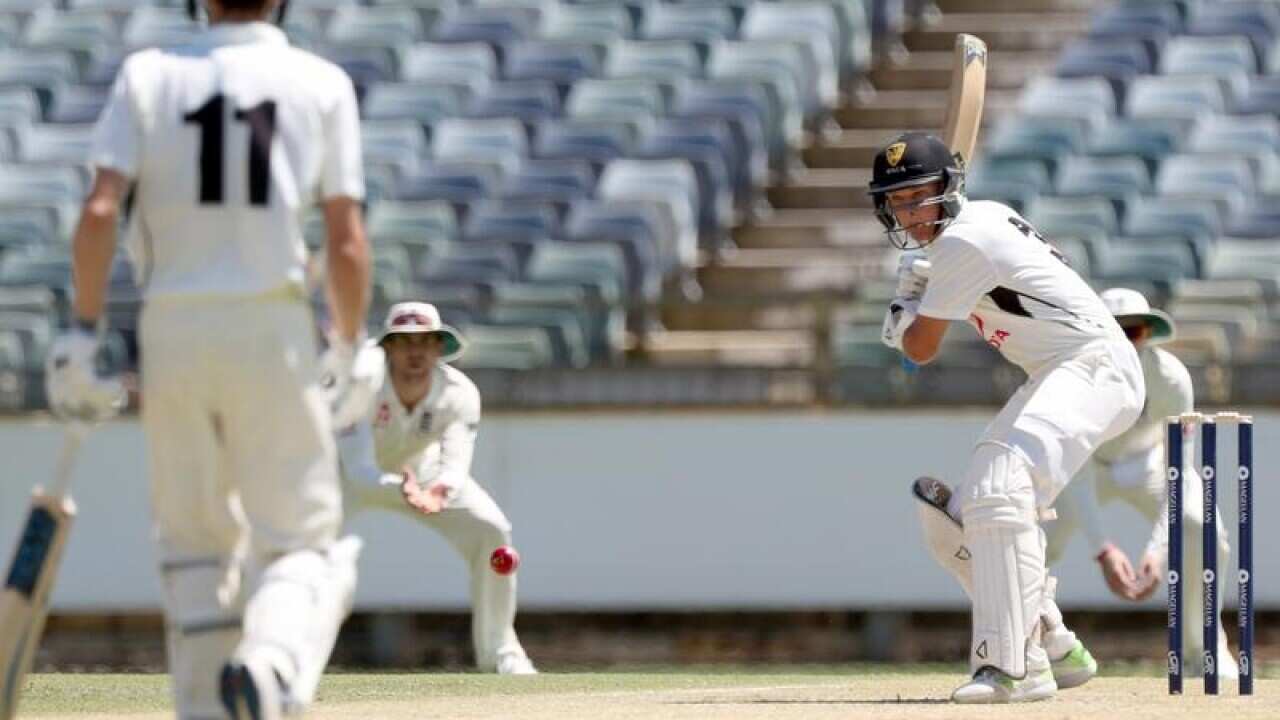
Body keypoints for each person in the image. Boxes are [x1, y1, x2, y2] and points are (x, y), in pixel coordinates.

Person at [45, 0, 378, 716]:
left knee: (194, 544)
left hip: (171, 330)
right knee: (305, 544)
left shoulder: (149, 75)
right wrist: (349, 346)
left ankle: (206, 705)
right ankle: (271, 665)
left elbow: (101, 212)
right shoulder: (319, 83)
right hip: (270, 324)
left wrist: (81, 331)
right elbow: (346, 240)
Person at [870, 132, 1145, 703]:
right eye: (896, 202)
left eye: (918, 197)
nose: (909, 213)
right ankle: (1054, 644)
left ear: (948, 189)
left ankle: (1011, 668)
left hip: (1093, 363)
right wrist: (924, 286)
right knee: (959, 520)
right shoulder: (973, 228)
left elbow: (920, 349)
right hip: (1057, 372)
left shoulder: (966, 242)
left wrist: (903, 311)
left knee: (1001, 485)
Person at [337, 302, 537, 675]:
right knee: (298, 549)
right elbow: (359, 469)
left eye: (426, 341)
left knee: (492, 531)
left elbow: (455, 463)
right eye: (405, 341)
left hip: (423, 473)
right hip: (343, 476)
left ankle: (501, 652)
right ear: (388, 348)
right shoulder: (361, 384)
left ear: (439, 348)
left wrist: (438, 491)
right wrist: (403, 491)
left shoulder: (459, 392)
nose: (416, 351)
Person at [1045, 287, 1236, 678]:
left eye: (1132, 333)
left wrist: (1157, 549)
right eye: (1114, 332)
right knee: (1036, 540)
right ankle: (1028, 644)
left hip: (1151, 465)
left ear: (1148, 333)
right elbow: (1075, 467)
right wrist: (1103, 550)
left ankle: (1202, 646)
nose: (1124, 344)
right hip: (1087, 468)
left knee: (1204, 528)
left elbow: (1179, 468)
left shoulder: (1170, 378)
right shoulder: (1077, 378)